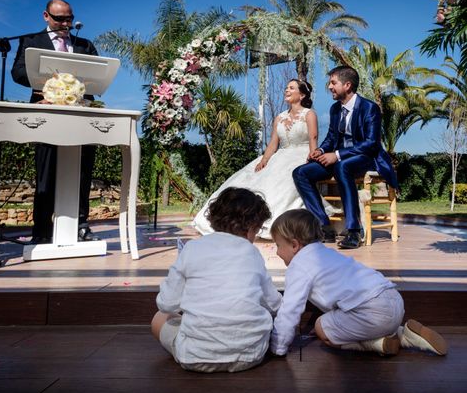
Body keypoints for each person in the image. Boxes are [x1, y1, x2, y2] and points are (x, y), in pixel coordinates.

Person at [269, 209, 448, 358]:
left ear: (294, 245)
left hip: (372, 312)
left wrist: (278, 346)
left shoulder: (299, 265)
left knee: (321, 327)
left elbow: (290, 309)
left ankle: (377, 343)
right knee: (347, 317)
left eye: (278, 245)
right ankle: (403, 332)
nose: (277, 252)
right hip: (393, 299)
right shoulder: (325, 253)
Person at [152, 187, 282, 373]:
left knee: (159, 319)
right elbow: (273, 303)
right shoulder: (251, 252)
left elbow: (166, 305)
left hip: (195, 357)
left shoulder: (192, 249)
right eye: (258, 230)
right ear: (251, 228)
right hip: (250, 356)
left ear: (214, 219)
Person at [11, 0, 99, 244]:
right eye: (60, 18)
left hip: (81, 114)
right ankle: (41, 230)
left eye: (69, 18)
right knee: (46, 172)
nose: (66, 23)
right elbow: (17, 72)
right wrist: (47, 83)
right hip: (46, 112)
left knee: (82, 171)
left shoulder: (85, 44)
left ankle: (81, 225)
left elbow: (98, 74)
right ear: (46, 16)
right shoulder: (31, 41)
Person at [194, 79, 328, 239]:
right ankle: (236, 219)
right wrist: (264, 160)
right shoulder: (279, 117)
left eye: (291, 88)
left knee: (287, 182)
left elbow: (313, 138)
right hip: (281, 155)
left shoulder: (309, 114)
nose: (286, 90)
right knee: (255, 178)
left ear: (302, 94)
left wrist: (312, 158)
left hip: (301, 155)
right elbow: (273, 143)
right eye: (286, 88)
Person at [293, 65, 398, 250]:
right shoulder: (335, 109)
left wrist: (338, 155)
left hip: (366, 157)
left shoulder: (369, 108)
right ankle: (324, 226)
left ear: (347, 85)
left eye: (333, 83)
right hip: (338, 158)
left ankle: (354, 231)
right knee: (300, 173)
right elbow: (332, 137)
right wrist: (320, 150)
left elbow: (371, 143)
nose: (330, 87)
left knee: (342, 166)